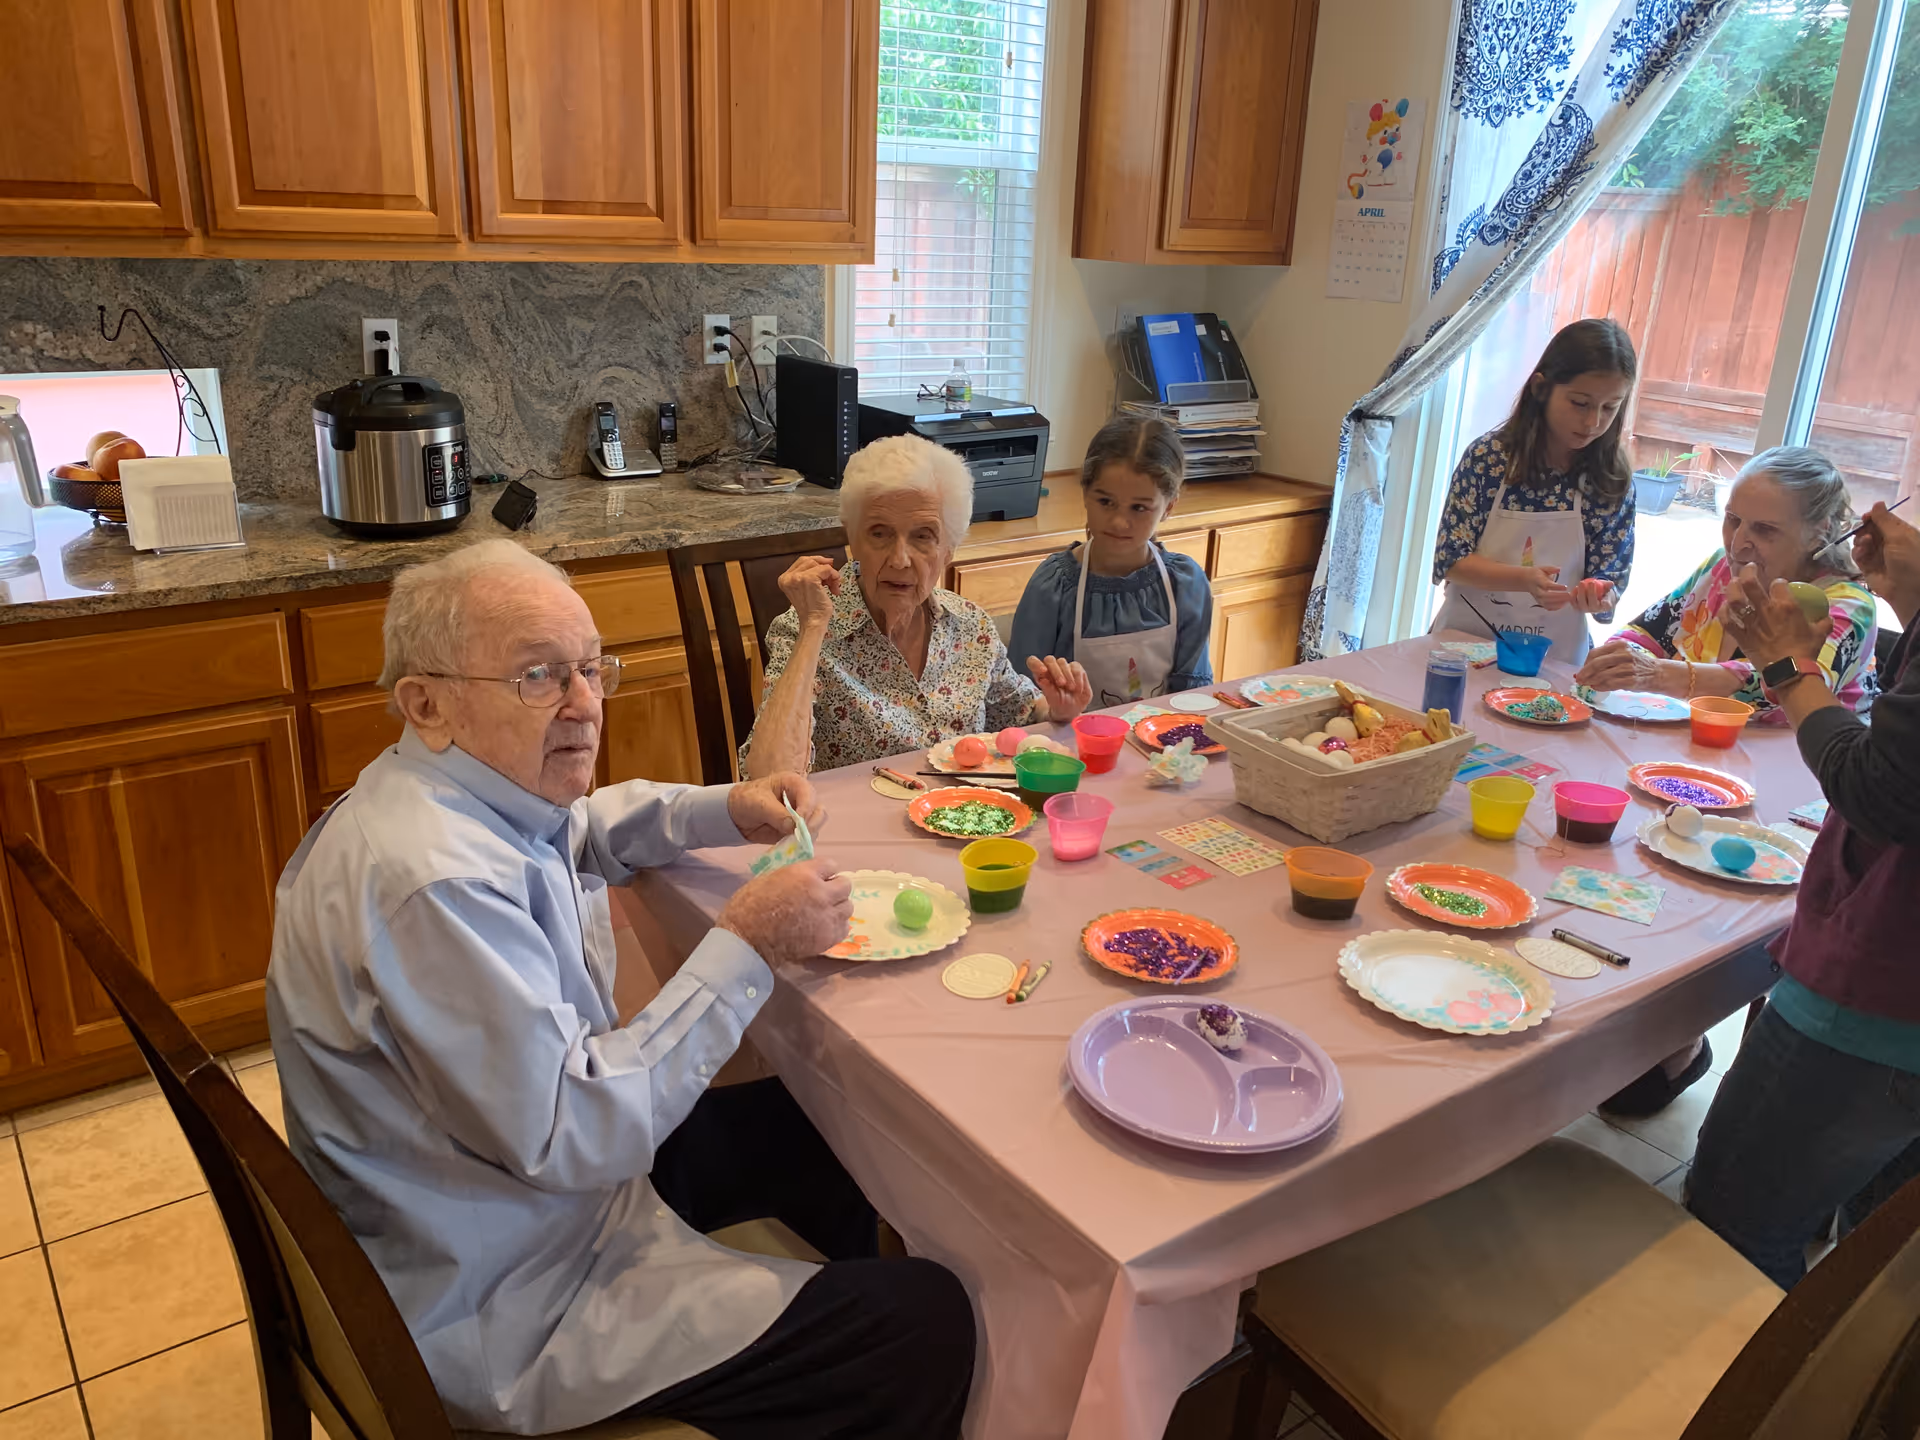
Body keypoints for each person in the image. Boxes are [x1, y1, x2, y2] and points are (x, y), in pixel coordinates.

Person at [266, 539, 975, 1438]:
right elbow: (579, 1131)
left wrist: (727, 805)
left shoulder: (454, 789)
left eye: (592, 669)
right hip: (511, 1290)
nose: (584, 706)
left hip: (499, 1188)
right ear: (426, 701)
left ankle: (798, 1355)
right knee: (925, 1319)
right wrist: (749, 942)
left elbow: (581, 826)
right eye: (538, 678)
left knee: (831, 1125)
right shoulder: (435, 887)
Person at [1687, 500, 1920, 1290]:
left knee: (1734, 1223)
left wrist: (1789, 666)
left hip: (1880, 999)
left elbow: (1881, 788)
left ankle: (1750, 1408)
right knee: (1879, 1260)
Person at [742, 434, 1092, 776]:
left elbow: (1019, 710)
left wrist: (1058, 708)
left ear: (948, 551)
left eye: (923, 535)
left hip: (967, 817)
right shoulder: (806, 628)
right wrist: (814, 627)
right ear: (852, 540)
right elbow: (767, 778)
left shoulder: (971, 626)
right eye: (879, 533)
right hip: (859, 827)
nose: (899, 560)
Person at [1576, 446, 1877, 722]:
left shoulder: (1846, 606)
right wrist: (1621, 660)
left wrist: (1658, 674)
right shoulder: (1721, 568)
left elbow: (1789, 688)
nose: (1737, 544)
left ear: (1817, 533)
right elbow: (1644, 633)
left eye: (1764, 530)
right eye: (1733, 519)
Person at [1430, 317, 1640, 666]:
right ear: (1541, 388)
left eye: (1609, 408)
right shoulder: (1489, 460)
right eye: (1580, 403)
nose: (1593, 422)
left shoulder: (1611, 481)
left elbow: (1610, 579)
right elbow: (1450, 560)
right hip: (1465, 649)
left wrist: (1598, 594)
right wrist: (1523, 579)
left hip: (1554, 660)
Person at [1009, 413, 1214, 707]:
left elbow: (1191, 694)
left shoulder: (1185, 583)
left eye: (1139, 508)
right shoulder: (1054, 586)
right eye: (1105, 502)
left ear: (1168, 508)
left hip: (1162, 746)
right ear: (1085, 494)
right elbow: (1021, 696)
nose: (1119, 522)